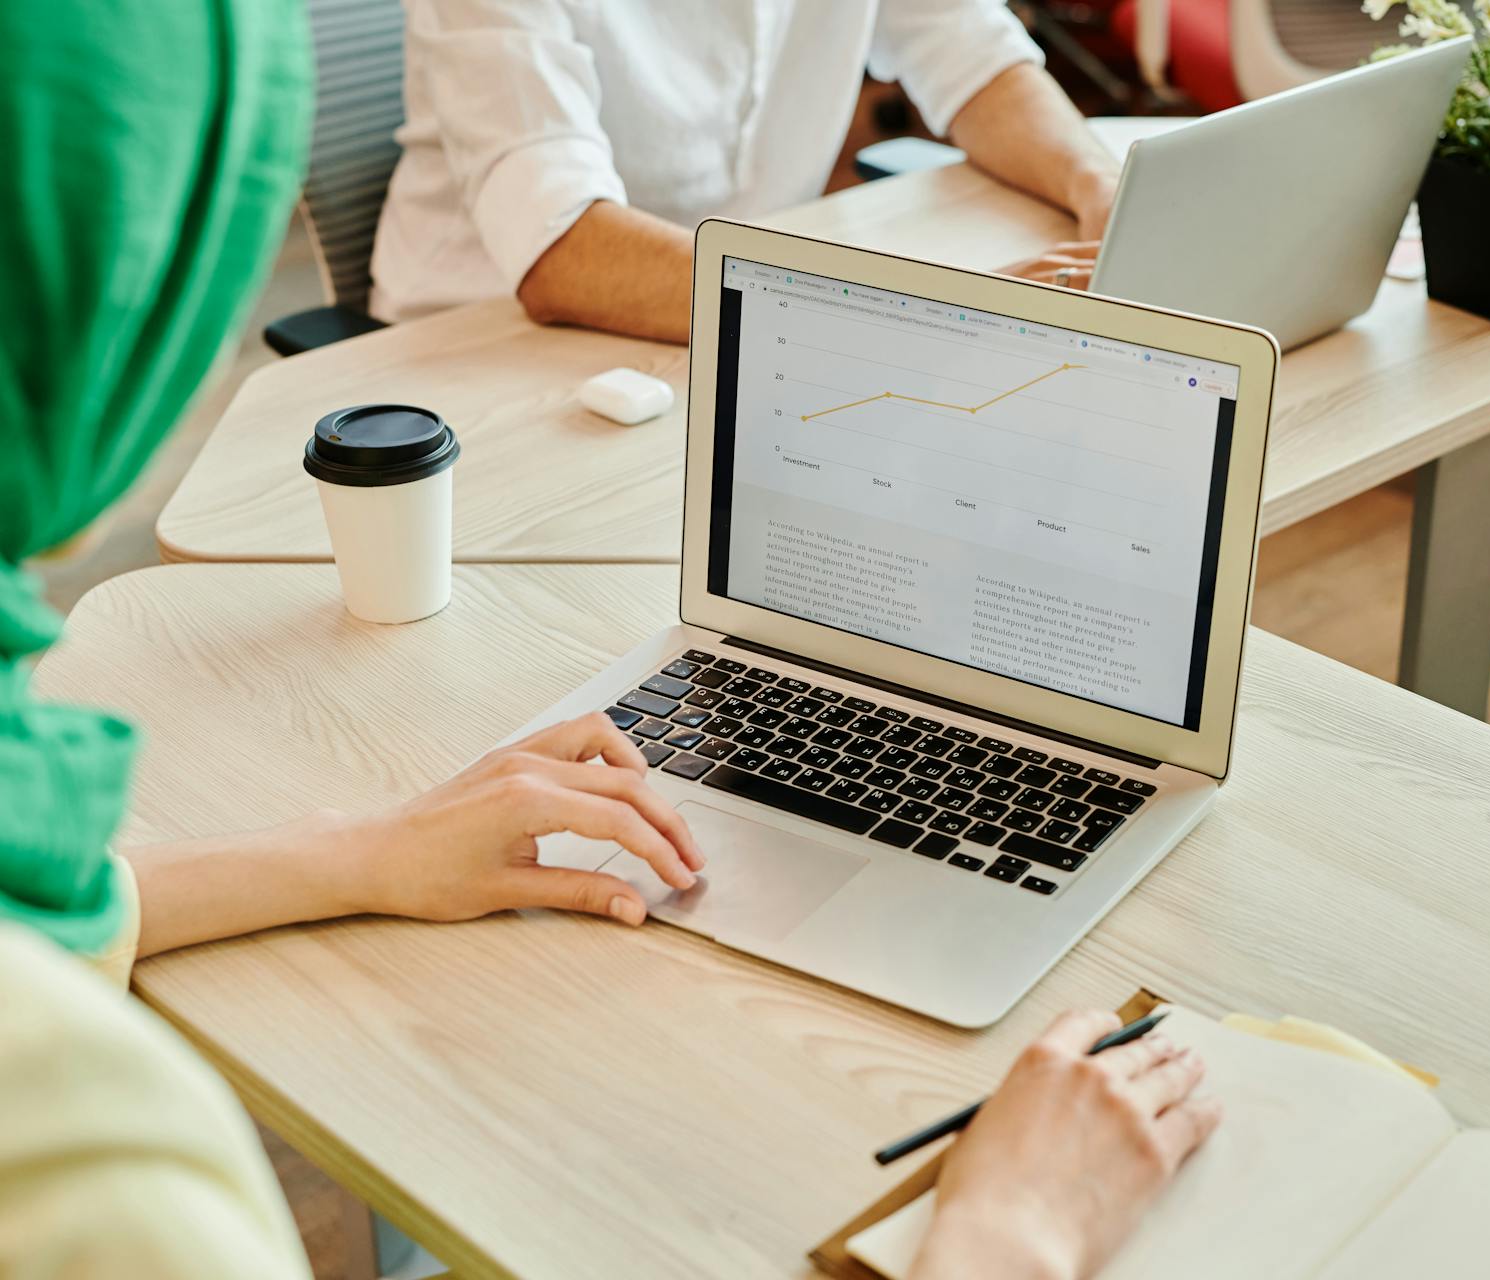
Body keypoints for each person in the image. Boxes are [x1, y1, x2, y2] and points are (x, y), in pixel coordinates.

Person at [0, 9, 1214, 1275]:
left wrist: (357, 851)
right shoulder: (99, 1163)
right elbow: (560, 242)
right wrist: (1009, 1229)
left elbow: (36, 903)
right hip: (502, 394)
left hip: (749, 404)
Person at [368, 0, 1121, 340]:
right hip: (484, 340)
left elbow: (972, 51)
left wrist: (1101, 184)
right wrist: (915, 316)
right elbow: (562, 249)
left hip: (756, 315)